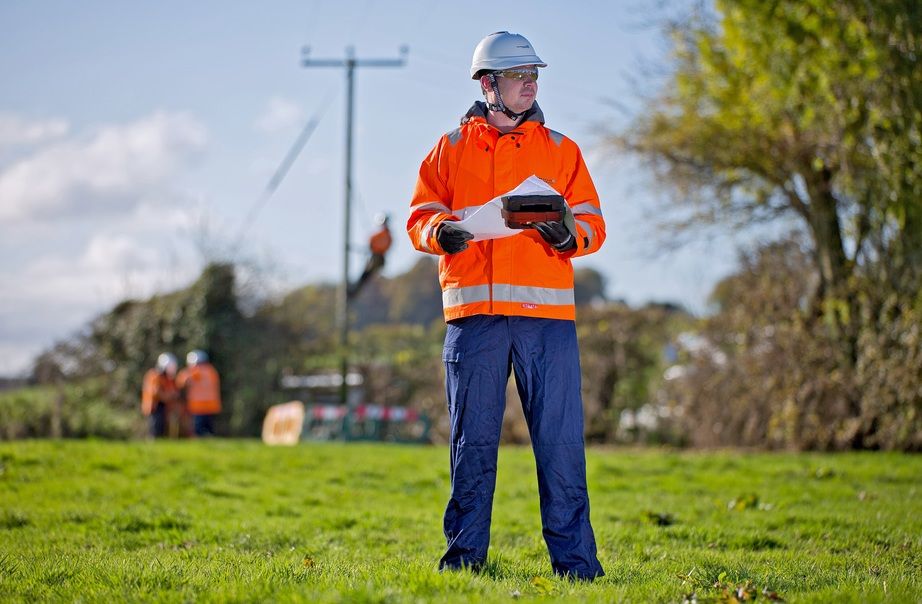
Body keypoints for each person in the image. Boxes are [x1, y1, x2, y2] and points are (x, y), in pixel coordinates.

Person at [407, 32, 607, 580]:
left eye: (534, 74)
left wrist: (570, 237)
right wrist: (440, 231)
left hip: (548, 323)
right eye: (520, 75)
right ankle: (464, 564)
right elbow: (419, 215)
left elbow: (594, 222)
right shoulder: (448, 148)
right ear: (487, 83)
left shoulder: (562, 149)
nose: (531, 83)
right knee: (472, 446)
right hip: (474, 323)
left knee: (561, 444)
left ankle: (578, 570)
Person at [176, 349, 222, 436]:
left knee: (199, 430)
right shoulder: (211, 371)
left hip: (198, 406)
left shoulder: (196, 371)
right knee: (209, 428)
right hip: (211, 405)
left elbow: (181, 381)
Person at [348, 212, 393, 298]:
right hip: (378, 257)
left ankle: (353, 292)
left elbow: (372, 241)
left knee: (365, 276)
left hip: (377, 257)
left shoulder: (384, 235)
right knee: (366, 276)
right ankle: (354, 291)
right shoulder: (387, 235)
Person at [141, 353, 180, 438]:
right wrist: (169, 396)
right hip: (154, 407)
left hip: (162, 406)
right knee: (155, 429)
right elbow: (156, 392)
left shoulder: (167, 378)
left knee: (162, 429)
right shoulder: (154, 375)